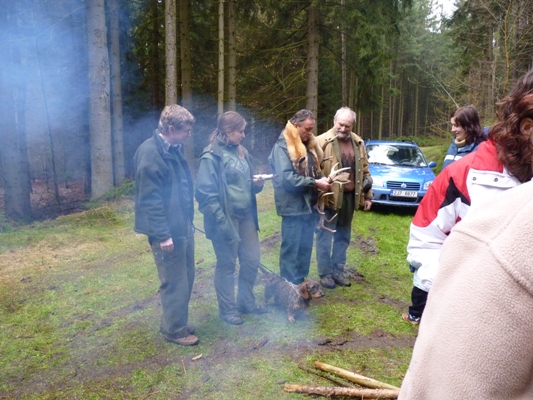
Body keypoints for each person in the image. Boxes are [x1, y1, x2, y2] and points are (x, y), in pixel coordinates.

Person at [403, 68, 533, 325]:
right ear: (527, 126)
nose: (452, 130)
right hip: (472, 318)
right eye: (451, 125)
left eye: (456, 125)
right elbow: (425, 240)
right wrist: (452, 298)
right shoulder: (462, 167)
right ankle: (418, 312)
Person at [399, 180, 533, 399]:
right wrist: (441, 277)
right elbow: (425, 233)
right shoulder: (462, 174)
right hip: (452, 267)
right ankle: (415, 313)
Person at [133, 104, 198, 346]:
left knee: (187, 276)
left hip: (181, 226)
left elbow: (180, 186)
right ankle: (174, 330)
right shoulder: (150, 154)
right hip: (167, 232)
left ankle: (175, 321)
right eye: (186, 130)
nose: (188, 135)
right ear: (171, 128)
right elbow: (150, 200)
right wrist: (162, 234)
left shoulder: (173, 148)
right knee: (174, 281)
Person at [195, 111, 267, 326]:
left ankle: (246, 302)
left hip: (246, 217)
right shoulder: (211, 156)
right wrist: (224, 225)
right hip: (225, 219)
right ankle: (227, 310)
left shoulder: (242, 151)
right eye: (240, 131)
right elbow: (205, 197)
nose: (244, 135)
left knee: (252, 260)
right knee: (227, 264)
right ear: (227, 132)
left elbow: (244, 183)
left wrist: (257, 184)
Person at [268, 109, 332, 285]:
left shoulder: (307, 146)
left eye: (312, 129)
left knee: (304, 248)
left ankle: (300, 284)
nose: (310, 133)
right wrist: (315, 183)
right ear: (296, 126)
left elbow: (313, 170)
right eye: (307, 129)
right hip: (292, 207)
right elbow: (287, 178)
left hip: (308, 205)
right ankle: (288, 288)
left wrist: (322, 180)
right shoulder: (283, 147)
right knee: (291, 249)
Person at [315, 107, 373, 289]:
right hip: (329, 198)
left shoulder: (358, 142)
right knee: (325, 236)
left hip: (349, 197)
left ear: (352, 125)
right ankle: (325, 274)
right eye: (341, 124)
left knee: (343, 236)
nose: (343, 129)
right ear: (334, 121)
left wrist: (367, 196)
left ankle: (337, 271)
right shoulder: (320, 141)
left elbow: (364, 170)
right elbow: (314, 171)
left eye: (348, 126)